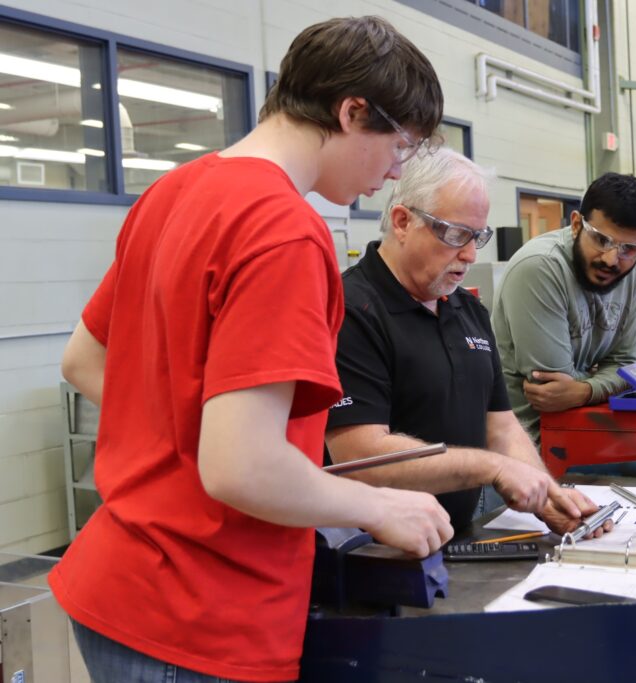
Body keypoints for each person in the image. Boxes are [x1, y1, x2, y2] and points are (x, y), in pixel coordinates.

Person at [51, 17, 454, 683]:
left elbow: (85, 360)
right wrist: (381, 505)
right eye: (400, 145)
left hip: (118, 583)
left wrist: (194, 435)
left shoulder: (171, 193)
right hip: (200, 609)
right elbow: (241, 468)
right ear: (353, 111)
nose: (393, 172)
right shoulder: (285, 231)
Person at [324, 148, 602, 535]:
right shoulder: (349, 311)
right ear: (403, 221)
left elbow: (500, 429)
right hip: (372, 548)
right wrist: (492, 468)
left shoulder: (467, 310)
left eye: (478, 236)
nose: (470, 254)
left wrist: (548, 496)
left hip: (454, 538)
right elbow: (360, 455)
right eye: (456, 234)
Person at [492, 172, 636, 442]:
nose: (612, 259)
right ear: (575, 224)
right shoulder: (540, 268)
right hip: (527, 443)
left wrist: (583, 390)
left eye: (629, 248)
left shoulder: (634, 267)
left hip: (588, 428)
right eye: (602, 239)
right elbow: (551, 391)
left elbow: (630, 364)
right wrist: (611, 379)